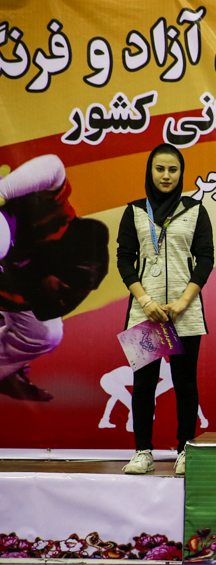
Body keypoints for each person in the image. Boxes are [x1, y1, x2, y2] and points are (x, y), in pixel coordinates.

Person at [116, 144, 214, 476]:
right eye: (160, 169)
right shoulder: (134, 212)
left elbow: (206, 259)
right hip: (146, 312)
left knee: (185, 384)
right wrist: (145, 301)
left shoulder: (195, 211)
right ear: (150, 172)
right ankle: (143, 452)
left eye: (173, 169)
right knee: (144, 384)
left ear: (181, 173)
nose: (166, 175)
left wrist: (183, 302)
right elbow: (124, 260)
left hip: (184, 313)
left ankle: (185, 450)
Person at [0, 155, 109, 401]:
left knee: (44, 335)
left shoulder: (35, 294)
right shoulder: (54, 220)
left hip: (12, 288)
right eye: (65, 288)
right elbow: (52, 167)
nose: (62, 298)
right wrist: (2, 191)